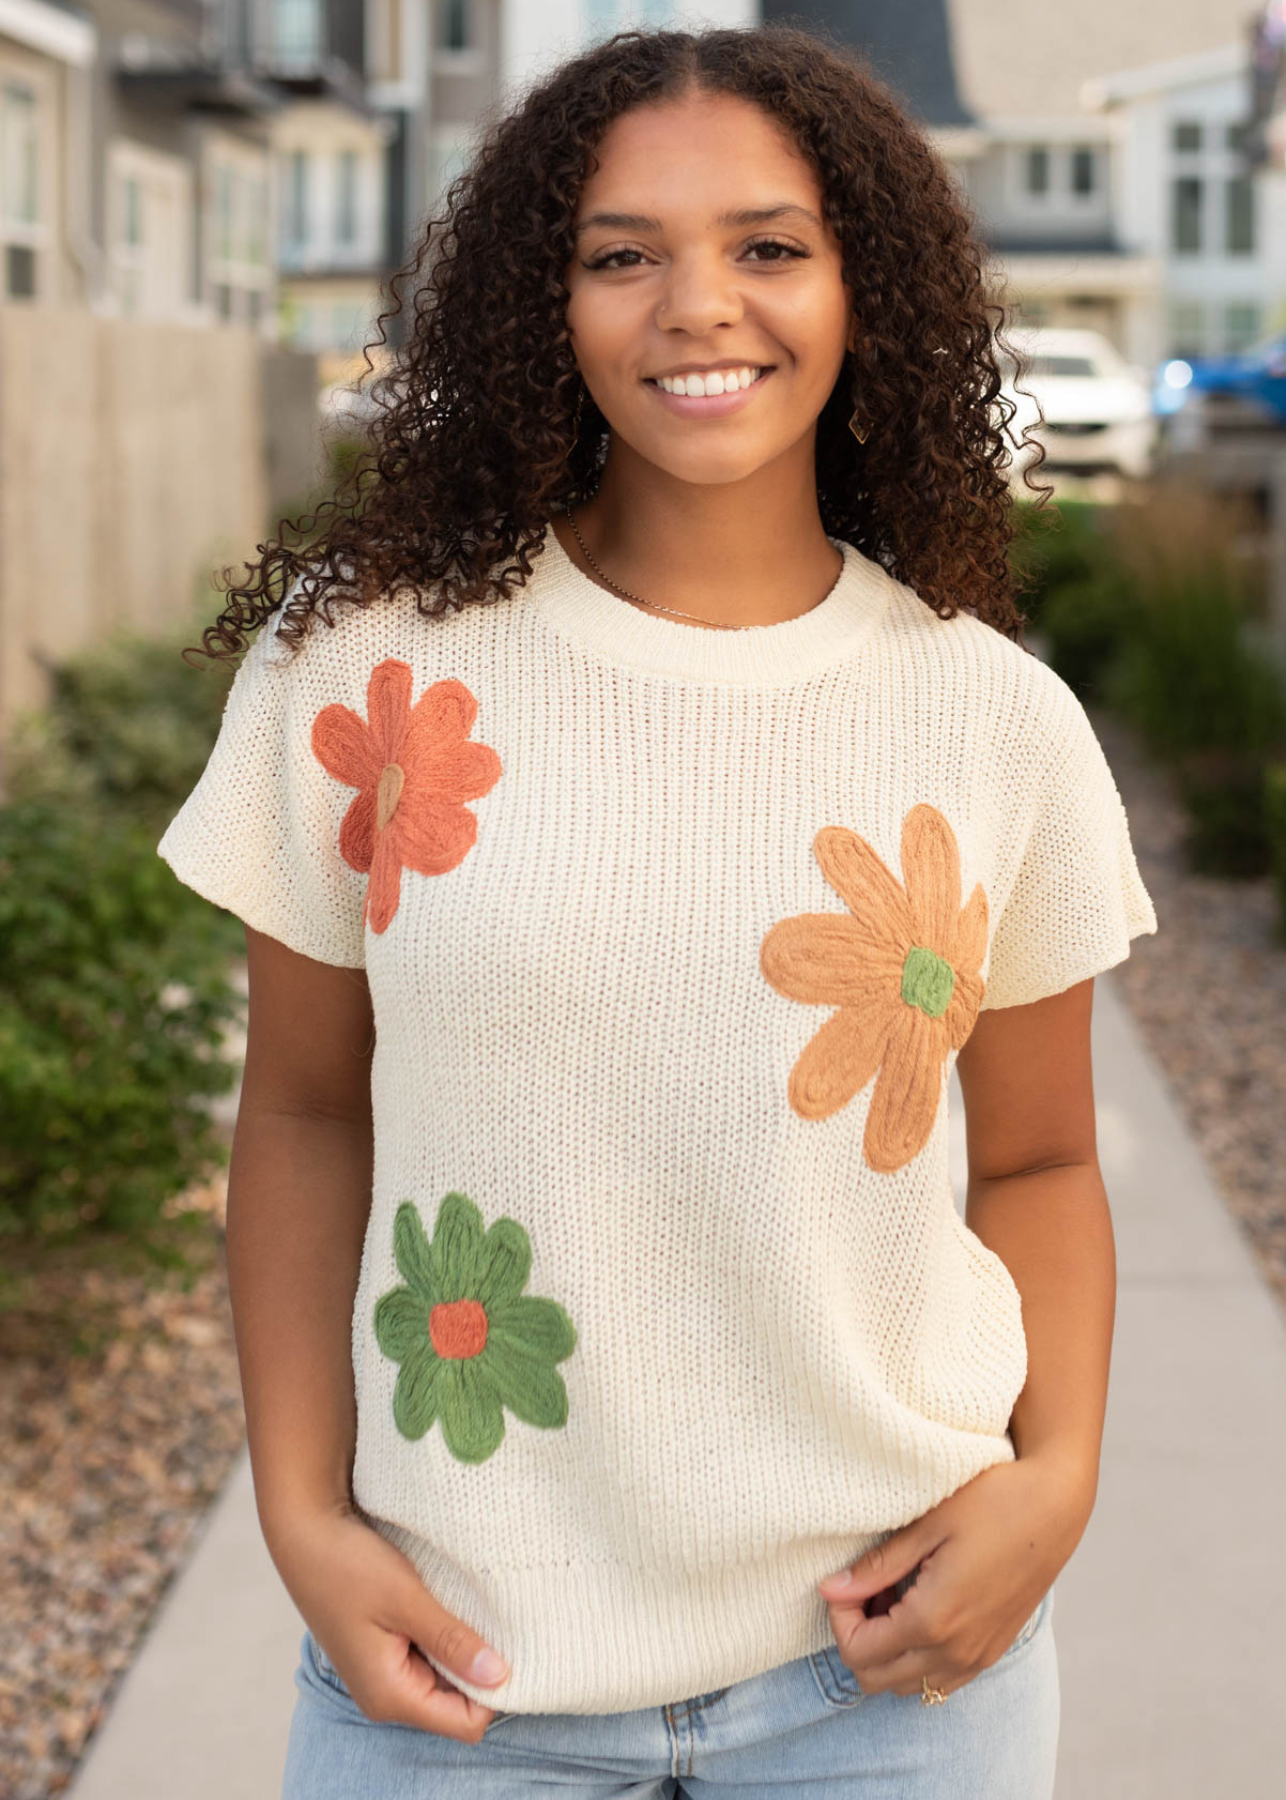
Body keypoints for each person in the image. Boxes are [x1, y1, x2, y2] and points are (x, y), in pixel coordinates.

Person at [158, 22, 1157, 1800]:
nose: (700, 304)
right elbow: (307, 1109)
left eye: (768, 247)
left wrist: (1056, 1482)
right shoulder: (366, 672)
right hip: (456, 1683)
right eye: (623, 255)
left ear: (868, 291)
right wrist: (301, 1514)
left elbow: (1040, 1166)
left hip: (894, 1679)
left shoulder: (991, 720)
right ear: (539, 304)